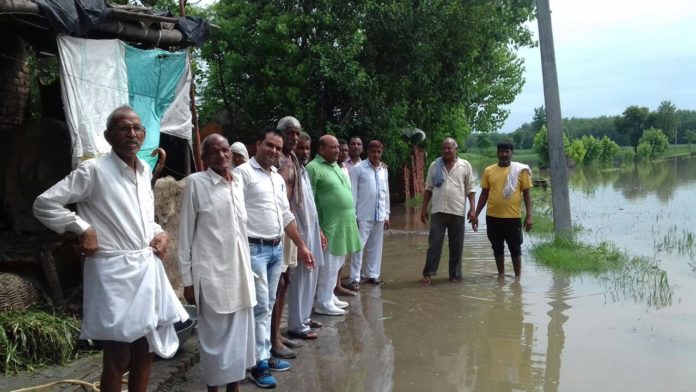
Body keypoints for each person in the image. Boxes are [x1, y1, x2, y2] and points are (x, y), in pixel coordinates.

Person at [33, 105, 187, 392]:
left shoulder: (143, 171)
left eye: (137, 128)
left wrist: (160, 233)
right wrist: (82, 228)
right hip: (113, 273)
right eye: (123, 128)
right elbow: (44, 203)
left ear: (144, 134)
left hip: (145, 269)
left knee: (145, 350)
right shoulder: (93, 171)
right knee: (118, 355)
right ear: (108, 135)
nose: (132, 133)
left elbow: (142, 218)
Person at [234, 128, 315, 389]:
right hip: (253, 249)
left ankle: (265, 356)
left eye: (278, 148)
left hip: (275, 249)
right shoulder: (242, 174)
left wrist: (302, 245)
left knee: (268, 306)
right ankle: (256, 366)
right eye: (269, 145)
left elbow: (286, 215)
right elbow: (234, 215)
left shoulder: (276, 179)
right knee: (258, 309)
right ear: (258, 144)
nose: (274, 151)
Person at [178, 134, 255, 392]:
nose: (221, 156)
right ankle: (213, 388)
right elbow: (185, 237)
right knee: (213, 339)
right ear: (204, 158)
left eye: (225, 150)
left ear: (231, 154)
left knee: (237, 338)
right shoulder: (196, 184)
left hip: (240, 273)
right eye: (214, 152)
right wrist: (187, 282)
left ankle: (233, 386)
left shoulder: (237, 183)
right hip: (210, 276)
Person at [306, 135, 362, 316]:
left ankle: (329, 295)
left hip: (343, 224)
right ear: (321, 149)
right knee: (328, 264)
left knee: (338, 261)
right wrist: (318, 228)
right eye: (333, 147)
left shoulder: (337, 166)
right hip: (328, 225)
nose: (338, 150)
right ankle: (322, 302)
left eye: (338, 147)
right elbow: (310, 200)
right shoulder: (313, 168)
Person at [420, 137, 476, 285]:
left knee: (457, 245)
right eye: (444, 148)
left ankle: (455, 275)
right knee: (434, 244)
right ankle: (428, 274)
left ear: (455, 149)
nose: (446, 150)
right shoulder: (434, 165)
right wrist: (423, 208)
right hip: (438, 210)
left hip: (457, 210)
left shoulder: (465, 165)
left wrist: (473, 209)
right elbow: (428, 188)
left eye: (449, 148)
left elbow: (470, 189)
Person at [472, 141, 533, 278]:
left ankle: (517, 279)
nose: (504, 154)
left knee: (515, 249)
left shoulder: (520, 170)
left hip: (513, 217)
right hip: (493, 217)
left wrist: (529, 216)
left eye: (507, 151)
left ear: (512, 153)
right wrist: (476, 214)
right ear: (497, 153)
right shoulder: (489, 171)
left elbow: (527, 194)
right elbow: (484, 194)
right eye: (501, 151)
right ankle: (501, 276)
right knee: (497, 248)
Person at [286, 131, 326, 339]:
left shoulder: (302, 171)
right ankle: (296, 325)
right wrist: (299, 240)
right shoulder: (289, 169)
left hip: (311, 229)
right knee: (300, 278)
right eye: (300, 147)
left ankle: (305, 317)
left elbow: (310, 205)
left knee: (312, 273)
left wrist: (318, 230)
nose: (304, 152)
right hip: (299, 232)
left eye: (307, 148)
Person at [271, 116, 304, 360]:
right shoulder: (277, 160)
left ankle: (277, 335)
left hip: (289, 224)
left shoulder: (292, 159)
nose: (293, 137)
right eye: (289, 133)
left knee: (286, 279)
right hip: (276, 228)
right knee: (277, 283)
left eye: (296, 133)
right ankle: (272, 340)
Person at [348, 140, 390, 290]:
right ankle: (354, 278)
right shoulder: (358, 169)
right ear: (367, 151)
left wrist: (387, 215)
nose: (376, 155)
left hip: (379, 214)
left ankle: (372, 274)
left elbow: (386, 194)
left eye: (378, 152)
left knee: (376, 246)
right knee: (358, 247)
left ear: (382, 151)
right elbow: (353, 193)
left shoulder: (383, 170)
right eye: (373, 151)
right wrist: (354, 215)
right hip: (363, 215)